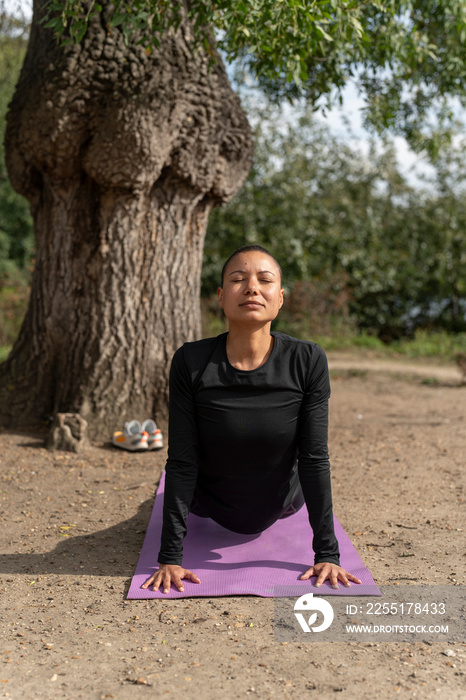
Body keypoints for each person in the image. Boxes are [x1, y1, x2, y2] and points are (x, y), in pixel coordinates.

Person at [142, 245, 361, 594]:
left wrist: (328, 554)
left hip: (284, 502)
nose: (252, 288)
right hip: (207, 503)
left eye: (265, 280)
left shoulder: (307, 360)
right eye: (238, 279)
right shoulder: (191, 361)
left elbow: (315, 457)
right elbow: (182, 460)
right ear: (220, 296)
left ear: (280, 298)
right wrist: (170, 557)